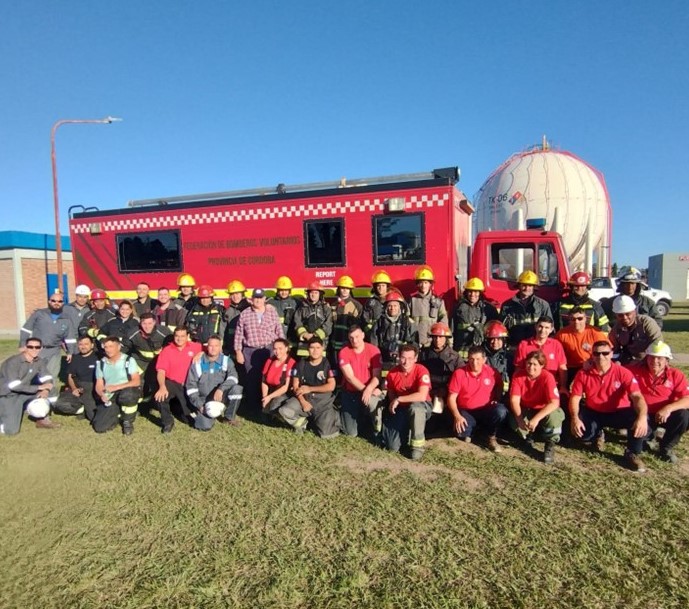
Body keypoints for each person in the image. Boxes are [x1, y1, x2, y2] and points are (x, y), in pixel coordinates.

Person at [569, 340, 650, 472]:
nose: (601, 357)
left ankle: (632, 452)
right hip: (594, 411)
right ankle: (598, 434)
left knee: (641, 420)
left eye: (605, 353)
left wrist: (642, 417)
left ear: (612, 354)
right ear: (592, 355)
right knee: (582, 436)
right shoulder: (583, 374)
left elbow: (637, 396)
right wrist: (575, 418)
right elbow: (575, 397)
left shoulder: (623, 372)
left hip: (618, 412)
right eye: (596, 353)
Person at [628, 341, 689, 464]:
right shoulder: (634, 371)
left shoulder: (676, 375)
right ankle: (650, 437)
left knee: (684, 416)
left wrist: (668, 408)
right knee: (641, 441)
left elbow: (687, 399)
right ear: (646, 358)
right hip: (642, 415)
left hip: (665, 415)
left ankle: (666, 447)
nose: (655, 361)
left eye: (659, 358)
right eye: (651, 357)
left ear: (667, 360)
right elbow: (613, 371)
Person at [445, 345, 507, 452]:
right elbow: (451, 398)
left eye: (478, 359)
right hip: (467, 410)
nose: (474, 363)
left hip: (486, 409)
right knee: (461, 432)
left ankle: (491, 437)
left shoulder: (492, 372)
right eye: (471, 359)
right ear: (467, 359)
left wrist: (497, 397)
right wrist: (457, 416)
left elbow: (499, 385)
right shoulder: (459, 373)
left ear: (484, 360)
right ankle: (476, 430)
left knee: (500, 411)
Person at [509, 350, 565, 464]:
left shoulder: (547, 377)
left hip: (544, 409)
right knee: (513, 421)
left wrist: (536, 419)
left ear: (542, 365)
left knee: (555, 417)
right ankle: (528, 437)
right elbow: (514, 400)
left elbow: (554, 402)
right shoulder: (518, 375)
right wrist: (519, 420)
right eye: (529, 363)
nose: (531, 367)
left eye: (535, 364)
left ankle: (550, 443)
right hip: (526, 408)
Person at [20, 291, 77, 400]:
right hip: (37, 350)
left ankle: (51, 400)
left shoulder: (66, 319)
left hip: (54, 351)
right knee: (33, 374)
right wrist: (23, 344)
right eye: (54, 301)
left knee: (51, 376)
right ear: (49, 302)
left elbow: (70, 338)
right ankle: (30, 399)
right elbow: (26, 329)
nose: (56, 303)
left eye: (60, 301)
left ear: (63, 303)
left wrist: (70, 352)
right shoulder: (39, 314)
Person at [278, 337, 340, 438]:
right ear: (307, 348)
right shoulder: (301, 363)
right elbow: (295, 385)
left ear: (323, 348)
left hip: (322, 403)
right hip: (304, 398)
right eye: (312, 348)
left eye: (318, 348)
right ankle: (302, 423)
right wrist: (303, 402)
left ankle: (333, 416)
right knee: (285, 411)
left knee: (326, 435)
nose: (315, 351)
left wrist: (310, 389)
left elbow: (331, 386)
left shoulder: (328, 364)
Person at [382, 343, 432, 461]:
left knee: (415, 408)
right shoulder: (392, 373)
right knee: (392, 446)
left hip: (421, 406)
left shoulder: (421, 370)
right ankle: (406, 432)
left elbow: (422, 396)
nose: (406, 362)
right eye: (403, 358)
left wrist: (399, 399)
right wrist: (392, 402)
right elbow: (391, 392)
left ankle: (417, 447)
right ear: (398, 357)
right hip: (401, 408)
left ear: (415, 358)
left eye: (410, 358)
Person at [234, 288, 284, 408]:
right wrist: (238, 352)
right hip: (250, 351)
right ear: (251, 299)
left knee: (270, 377)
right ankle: (253, 406)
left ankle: (269, 405)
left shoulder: (272, 311)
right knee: (252, 378)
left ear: (264, 299)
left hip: (269, 349)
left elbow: (279, 329)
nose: (258, 300)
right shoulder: (245, 314)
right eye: (255, 298)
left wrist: (283, 348)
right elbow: (238, 334)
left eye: (260, 298)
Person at [0, 338, 58, 435]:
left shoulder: (39, 361)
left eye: (37, 347)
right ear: (25, 348)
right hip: (8, 395)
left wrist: (46, 390)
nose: (34, 349)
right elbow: (14, 386)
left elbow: (47, 377)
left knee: (53, 391)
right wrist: (39, 388)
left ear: (41, 348)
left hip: (24, 392)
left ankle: (42, 419)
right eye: (30, 347)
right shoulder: (12, 362)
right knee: (11, 431)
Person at [186, 335, 243, 430]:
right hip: (204, 400)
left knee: (237, 389)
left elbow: (234, 377)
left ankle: (229, 418)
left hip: (221, 396)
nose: (213, 348)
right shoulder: (198, 363)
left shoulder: (226, 360)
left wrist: (221, 389)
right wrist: (199, 405)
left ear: (220, 347)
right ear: (207, 347)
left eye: (216, 346)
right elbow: (191, 387)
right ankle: (199, 414)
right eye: (210, 346)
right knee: (204, 426)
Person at [154, 326, 203, 433]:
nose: (179, 339)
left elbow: (213, 350)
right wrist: (162, 387)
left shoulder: (196, 347)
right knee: (161, 396)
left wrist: (201, 353)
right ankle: (167, 422)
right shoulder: (167, 350)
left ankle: (178, 409)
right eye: (177, 336)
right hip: (173, 383)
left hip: (191, 385)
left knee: (190, 421)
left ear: (188, 337)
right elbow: (161, 371)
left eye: (182, 336)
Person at [338, 325, 383, 439]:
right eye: (351, 338)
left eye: (357, 336)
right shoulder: (344, 352)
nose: (355, 340)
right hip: (351, 392)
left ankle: (377, 428)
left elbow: (377, 376)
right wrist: (365, 390)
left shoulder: (374, 350)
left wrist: (369, 389)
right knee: (351, 433)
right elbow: (350, 377)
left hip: (369, 390)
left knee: (373, 403)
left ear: (363, 335)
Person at [92, 336, 141, 435]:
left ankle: (127, 421)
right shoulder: (101, 363)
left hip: (126, 390)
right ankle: (118, 413)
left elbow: (136, 381)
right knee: (99, 427)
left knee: (128, 395)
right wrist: (102, 394)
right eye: (106, 347)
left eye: (111, 346)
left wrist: (116, 387)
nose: (108, 349)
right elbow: (99, 383)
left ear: (118, 347)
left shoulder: (128, 360)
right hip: (110, 395)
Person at [122, 313, 172, 400]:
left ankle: (156, 405)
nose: (147, 326)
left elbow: (172, 347)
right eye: (144, 323)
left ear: (154, 323)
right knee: (138, 383)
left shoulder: (165, 332)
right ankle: (138, 402)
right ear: (140, 324)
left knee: (158, 383)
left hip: (158, 362)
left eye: (150, 323)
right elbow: (124, 349)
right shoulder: (132, 333)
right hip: (140, 362)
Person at [513, 317, 568, 396]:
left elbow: (562, 368)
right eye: (540, 326)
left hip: (552, 387)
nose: (543, 330)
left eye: (547, 328)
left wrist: (563, 387)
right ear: (535, 326)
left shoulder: (556, 345)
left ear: (551, 329)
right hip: (529, 387)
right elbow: (518, 369)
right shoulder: (524, 344)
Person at [419, 322, 463, 417]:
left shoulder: (455, 357)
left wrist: (447, 390)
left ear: (446, 338)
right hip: (428, 392)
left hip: (449, 393)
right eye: (435, 337)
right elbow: (418, 375)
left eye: (441, 337)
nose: (437, 340)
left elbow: (461, 378)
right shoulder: (423, 355)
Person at [555, 306, 609, 383]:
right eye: (573, 319)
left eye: (580, 318)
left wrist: (592, 362)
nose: (576, 322)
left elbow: (607, 351)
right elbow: (556, 354)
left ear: (585, 319)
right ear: (569, 320)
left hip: (592, 366)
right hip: (570, 368)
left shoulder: (595, 332)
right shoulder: (561, 334)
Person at [500, 270, 553, 347]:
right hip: (514, 346)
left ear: (534, 287)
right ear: (519, 286)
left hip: (536, 346)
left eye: (530, 285)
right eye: (524, 285)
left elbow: (550, 329)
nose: (527, 288)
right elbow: (502, 330)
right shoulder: (507, 306)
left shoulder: (543, 305)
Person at [370, 291, 417, 373]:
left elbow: (414, 342)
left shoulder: (407, 322)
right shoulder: (379, 322)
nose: (392, 308)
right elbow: (374, 341)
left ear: (400, 307)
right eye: (390, 306)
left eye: (395, 305)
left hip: (403, 359)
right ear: (385, 307)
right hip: (384, 358)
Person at [451, 277, 499, 358]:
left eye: (476, 291)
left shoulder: (489, 308)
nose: (472, 294)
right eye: (470, 291)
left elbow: (495, 330)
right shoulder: (458, 308)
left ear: (480, 293)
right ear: (466, 292)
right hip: (461, 351)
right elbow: (451, 328)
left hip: (481, 350)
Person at [53, 335, 99, 421]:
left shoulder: (98, 357)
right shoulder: (75, 358)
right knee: (59, 404)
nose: (83, 346)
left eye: (86, 344)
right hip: (79, 387)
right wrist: (74, 388)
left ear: (92, 345)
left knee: (93, 417)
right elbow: (70, 376)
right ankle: (81, 409)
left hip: (93, 388)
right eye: (81, 344)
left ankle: (88, 409)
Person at [609, 295, 662, 365]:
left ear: (634, 312)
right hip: (628, 361)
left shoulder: (646, 323)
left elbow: (659, 344)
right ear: (616, 315)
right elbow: (614, 350)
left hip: (650, 361)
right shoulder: (616, 330)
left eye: (628, 314)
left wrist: (643, 362)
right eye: (620, 315)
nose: (625, 318)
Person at [407, 265, 448, 348]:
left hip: (432, 343)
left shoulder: (438, 301)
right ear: (417, 284)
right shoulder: (411, 300)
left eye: (426, 282)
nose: (423, 285)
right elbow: (406, 318)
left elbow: (444, 321)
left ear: (430, 284)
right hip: (415, 342)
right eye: (421, 282)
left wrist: (439, 339)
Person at [293, 282, 333, 358]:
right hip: (304, 346)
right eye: (311, 292)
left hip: (321, 344)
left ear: (320, 294)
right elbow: (297, 322)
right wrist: (304, 334)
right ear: (308, 294)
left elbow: (328, 325)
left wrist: (315, 335)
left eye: (316, 293)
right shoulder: (301, 308)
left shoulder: (326, 308)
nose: (313, 295)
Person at [329, 275, 363, 364]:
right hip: (334, 343)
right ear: (339, 289)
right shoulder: (333, 305)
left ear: (350, 290)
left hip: (349, 343)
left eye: (347, 288)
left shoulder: (357, 305)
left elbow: (358, 326)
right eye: (342, 288)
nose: (344, 290)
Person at [261, 338, 297, 417]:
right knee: (265, 410)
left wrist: (269, 397)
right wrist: (265, 397)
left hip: (283, 392)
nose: (277, 352)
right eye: (275, 349)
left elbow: (285, 387)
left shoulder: (291, 363)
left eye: (280, 348)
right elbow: (264, 381)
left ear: (286, 348)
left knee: (273, 406)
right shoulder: (270, 361)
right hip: (271, 390)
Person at [483, 320, 513, 394]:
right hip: (485, 394)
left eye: (499, 339)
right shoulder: (481, 356)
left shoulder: (509, 358)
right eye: (492, 339)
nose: (495, 342)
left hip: (504, 396)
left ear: (504, 341)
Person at [266, 276, 299, 342]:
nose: (284, 293)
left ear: (289, 291)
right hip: (275, 336)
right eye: (281, 290)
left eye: (286, 290)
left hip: (291, 336)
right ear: (277, 290)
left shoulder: (295, 302)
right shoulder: (270, 302)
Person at [223, 280, 251, 355]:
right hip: (232, 348)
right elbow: (223, 330)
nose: (235, 296)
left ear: (242, 294)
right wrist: (223, 346)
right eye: (232, 294)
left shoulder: (250, 308)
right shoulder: (227, 311)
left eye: (237, 293)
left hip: (248, 347)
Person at [362, 270, 392, 337]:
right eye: (379, 286)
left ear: (387, 286)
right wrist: (368, 329)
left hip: (389, 333)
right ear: (375, 287)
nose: (381, 288)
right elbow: (365, 317)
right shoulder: (370, 302)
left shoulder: (392, 300)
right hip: (374, 334)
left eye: (383, 285)